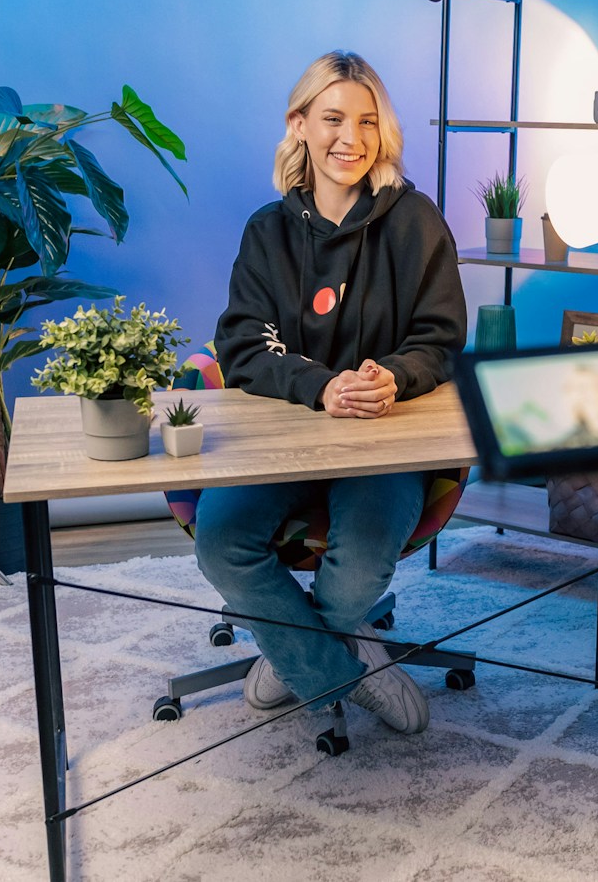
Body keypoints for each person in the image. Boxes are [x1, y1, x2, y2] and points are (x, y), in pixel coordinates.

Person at [194, 50, 467, 735]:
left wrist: (393, 376)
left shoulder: (416, 222)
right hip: (280, 439)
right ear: (300, 124)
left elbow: (438, 339)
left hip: (383, 441)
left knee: (356, 572)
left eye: (368, 121)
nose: (352, 138)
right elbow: (243, 347)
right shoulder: (268, 231)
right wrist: (322, 387)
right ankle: (341, 667)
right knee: (220, 539)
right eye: (334, 118)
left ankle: (290, 652)